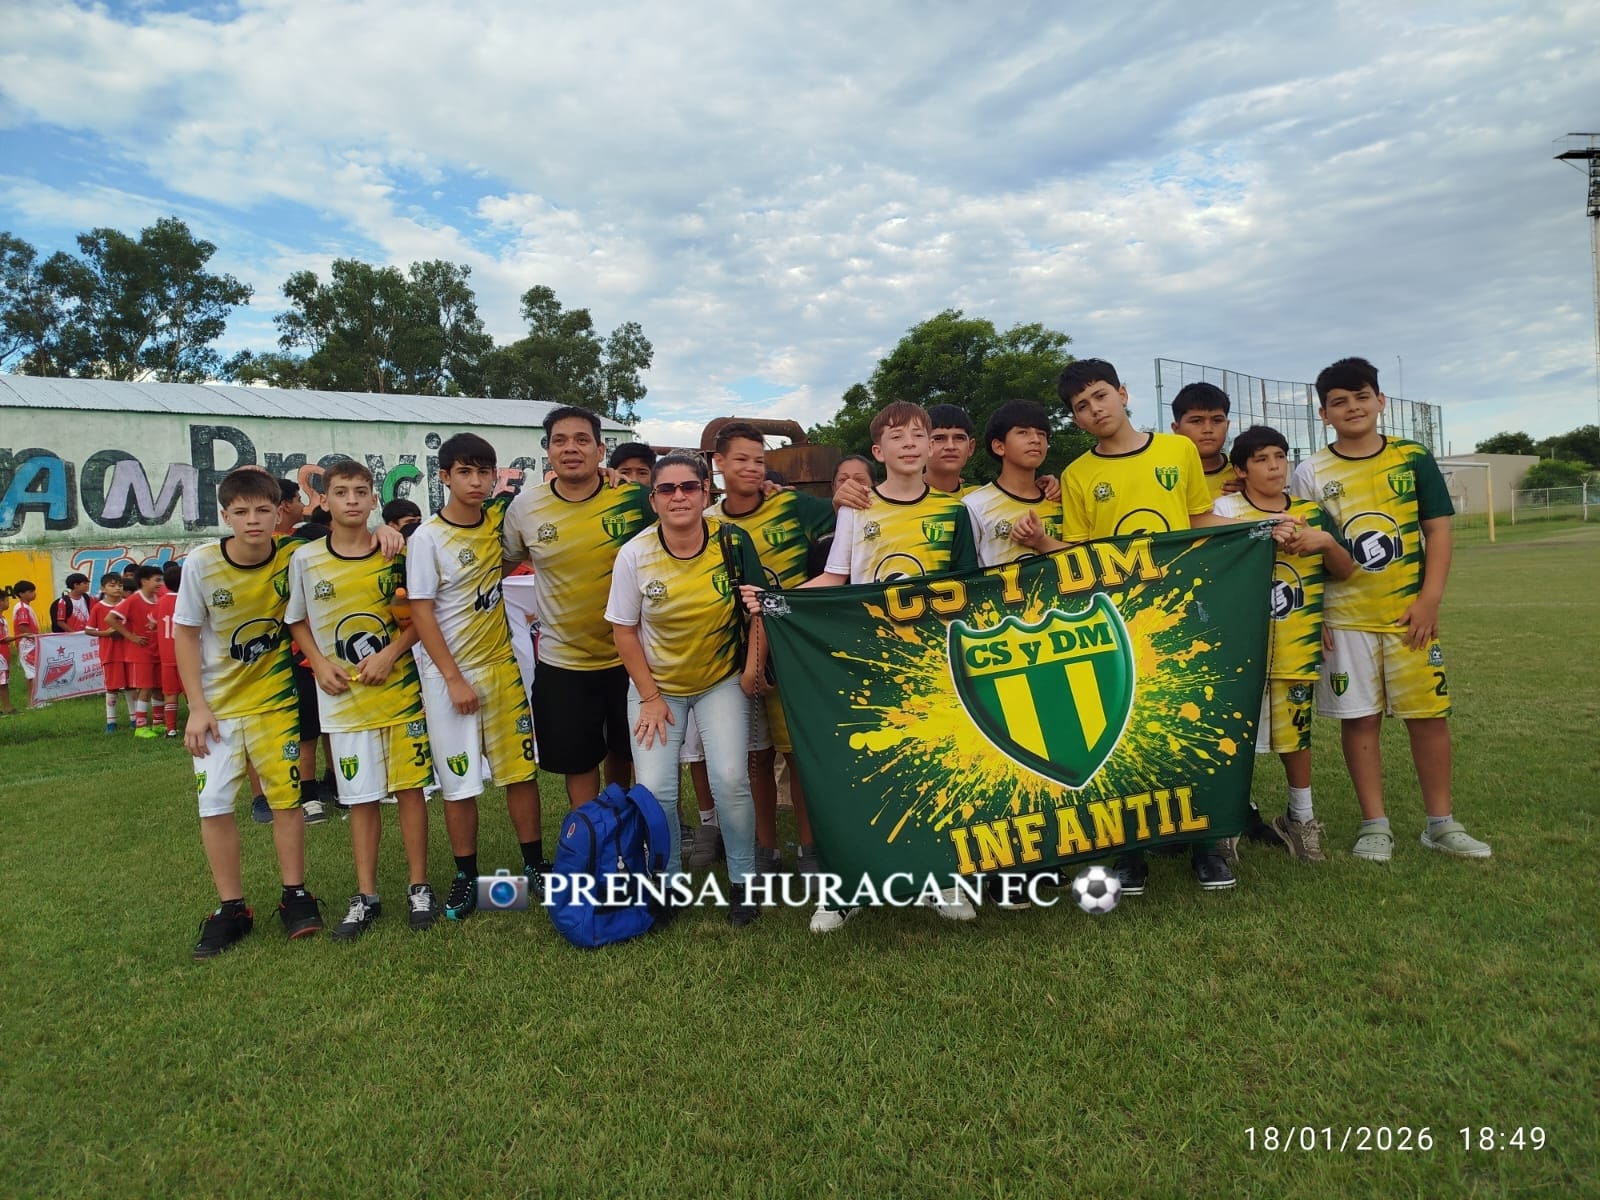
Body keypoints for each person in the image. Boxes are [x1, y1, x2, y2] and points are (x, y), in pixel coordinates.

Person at [1031, 358, 1234, 894]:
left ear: (1122, 392)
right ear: (1074, 420)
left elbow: (1200, 520)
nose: (1094, 409)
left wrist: (1260, 526)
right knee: (1122, 736)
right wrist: (1043, 546)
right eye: (1080, 406)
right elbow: (1078, 553)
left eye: (1100, 395)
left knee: (1192, 725)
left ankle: (1206, 847)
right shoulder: (1078, 476)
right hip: (1118, 623)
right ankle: (1129, 853)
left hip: (1182, 610)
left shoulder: (1178, 450)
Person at [1291, 357, 1490, 863]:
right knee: (1359, 721)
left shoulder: (1411, 457)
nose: (1351, 407)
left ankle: (1440, 823)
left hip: (1409, 618)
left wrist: (1429, 600)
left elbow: (1438, 529)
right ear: (1323, 414)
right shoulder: (1311, 471)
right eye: (1339, 401)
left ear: (1381, 401)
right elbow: (1302, 547)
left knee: (1429, 718)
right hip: (1344, 619)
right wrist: (1313, 619)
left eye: (1361, 396)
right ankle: (1374, 825)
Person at [804, 400, 981, 931]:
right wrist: (772, 599)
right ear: (878, 451)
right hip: (866, 663)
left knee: (935, 770)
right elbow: (836, 580)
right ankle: (846, 889)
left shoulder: (955, 513)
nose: (910, 442)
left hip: (932, 667)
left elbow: (969, 591)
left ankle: (942, 879)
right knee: (858, 774)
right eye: (897, 436)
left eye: (918, 434)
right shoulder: (855, 508)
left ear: (932, 447)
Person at [606, 452, 767, 927]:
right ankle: (668, 880)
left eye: (689, 487)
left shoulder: (732, 542)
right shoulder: (635, 553)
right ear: (653, 500)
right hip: (657, 686)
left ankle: (744, 881)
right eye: (667, 490)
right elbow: (623, 630)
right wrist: (651, 697)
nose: (679, 496)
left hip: (720, 680)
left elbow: (759, 610)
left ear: (705, 493)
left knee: (732, 779)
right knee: (655, 789)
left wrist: (751, 671)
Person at [176, 467, 325, 959]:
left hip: (276, 701)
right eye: (240, 512)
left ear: (279, 511)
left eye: (263, 509)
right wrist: (196, 708)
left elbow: (349, 539)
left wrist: (388, 530)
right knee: (214, 805)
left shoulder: (295, 553)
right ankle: (232, 907)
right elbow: (186, 635)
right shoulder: (201, 563)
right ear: (226, 516)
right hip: (218, 708)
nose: (253, 520)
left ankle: (294, 894)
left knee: (286, 800)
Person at [288, 459, 438, 939]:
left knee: (411, 790)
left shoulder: (396, 552)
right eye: (341, 491)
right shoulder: (305, 559)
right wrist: (318, 662)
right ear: (325, 500)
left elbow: (418, 618)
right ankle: (366, 894)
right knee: (361, 798)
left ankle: (419, 886)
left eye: (360, 491)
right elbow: (296, 620)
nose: (351, 499)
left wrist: (391, 653)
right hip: (343, 698)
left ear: (374, 499)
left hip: (400, 694)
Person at [407, 432, 546, 921]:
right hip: (451, 677)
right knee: (459, 781)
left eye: (484, 472)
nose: (476, 481)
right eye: (464, 472)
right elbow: (421, 614)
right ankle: (467, 876)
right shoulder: (426, 537)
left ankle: (535, 867)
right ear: (444, 477)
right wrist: (453, 679)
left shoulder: (496, 523)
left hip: (501, 669)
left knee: (520, 771)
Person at [1213, 425, 1354, 862]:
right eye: (1261, 459)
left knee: (1295, 737)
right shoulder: (1225, 507)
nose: (1274, 466)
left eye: (1279, 457)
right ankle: (1225, 823)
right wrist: (1259, 530)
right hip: (1238, 646)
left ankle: (1299, 818)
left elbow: (1345, 569)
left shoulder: (1311, 510)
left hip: (1295, 641)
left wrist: (1324, 541)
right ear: (1240, 469)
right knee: (1232, 738)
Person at [502, 406, 653, 809]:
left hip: (632, 656)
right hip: (563, 661)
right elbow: (499, 562)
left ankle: (623, 832)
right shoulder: (525, 509)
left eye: (582, 440)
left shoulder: (634, 500)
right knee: (579, 761)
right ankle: (588, 836)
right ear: (547, 451)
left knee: (627, 750)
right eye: (560, 440)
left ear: (601, 450)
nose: (571, 448)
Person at [708, 421, 836, 875]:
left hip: (792, 654)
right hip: (729, 660)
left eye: (758, 460)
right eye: (739, 459)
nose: (750, 468)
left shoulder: (793, 506)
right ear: (718, 463)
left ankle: (809, 848)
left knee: (796, 755)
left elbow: (851, 511)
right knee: (753, 758)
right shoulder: (707, 523)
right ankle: (766, 849)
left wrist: (859, 487)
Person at [962, 400, 1064, 568]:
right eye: (1023, 432)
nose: (1035, 439)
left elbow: (1082, 557)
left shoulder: (1059, 499)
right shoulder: (974, 506)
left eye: (1042, 434)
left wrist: (1041, 541)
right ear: (999, 446)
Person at [108, 565, 164, 738]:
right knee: (145, 687)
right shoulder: (133, 600)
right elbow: (110, 618)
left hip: (158, 649)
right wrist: (130, 636)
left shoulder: (159, 597)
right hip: (141, 652)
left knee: (158, 687)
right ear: (144, 581)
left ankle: (158, 723)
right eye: (156, 580)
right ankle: (140, 726)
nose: (159, 583)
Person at [1170, 381, 1237, 501]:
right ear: (1176, 429)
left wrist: (1252, 492)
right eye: (1196, 421)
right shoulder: (1167, 474)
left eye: (1217, 420)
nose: (1208, 429)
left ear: (1227, 425)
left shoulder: (1243, 472)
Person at [87, 574, 128, 730]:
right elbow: (89, 630)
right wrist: (108, 633)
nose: (117, 588)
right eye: (112, 585)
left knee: (131, 686)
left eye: (120, 585)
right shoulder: (98, 607)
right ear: (103, 589)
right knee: (112, 687)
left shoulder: (127, 603)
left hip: (128, 651)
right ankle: (111, 722)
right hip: (110, 652)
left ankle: (135, 719)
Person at [155, 562, 184, 737]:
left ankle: (171, 729)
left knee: (170, 693)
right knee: (192, 692)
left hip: (166, 655)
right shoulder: (187, 600)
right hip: (186, 655)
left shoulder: (161, 601)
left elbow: (152, 621)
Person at [926, 404, 978, 495]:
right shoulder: (900, 498)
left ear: (970, 447)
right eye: (939, 438)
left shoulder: (981, 499)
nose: (950, 446)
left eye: (959, 438)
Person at [10, 581, 40, 686]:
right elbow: (22, 627)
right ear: (21, 594)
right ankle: (33, 701)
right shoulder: (22, 608)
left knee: (34, 671)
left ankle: (35, 699)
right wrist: (35, 639)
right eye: (30, 591)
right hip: (27, 644)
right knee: (32, 673)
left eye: (34, 591)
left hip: (30, 643)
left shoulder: (25, 607)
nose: (34, 593)